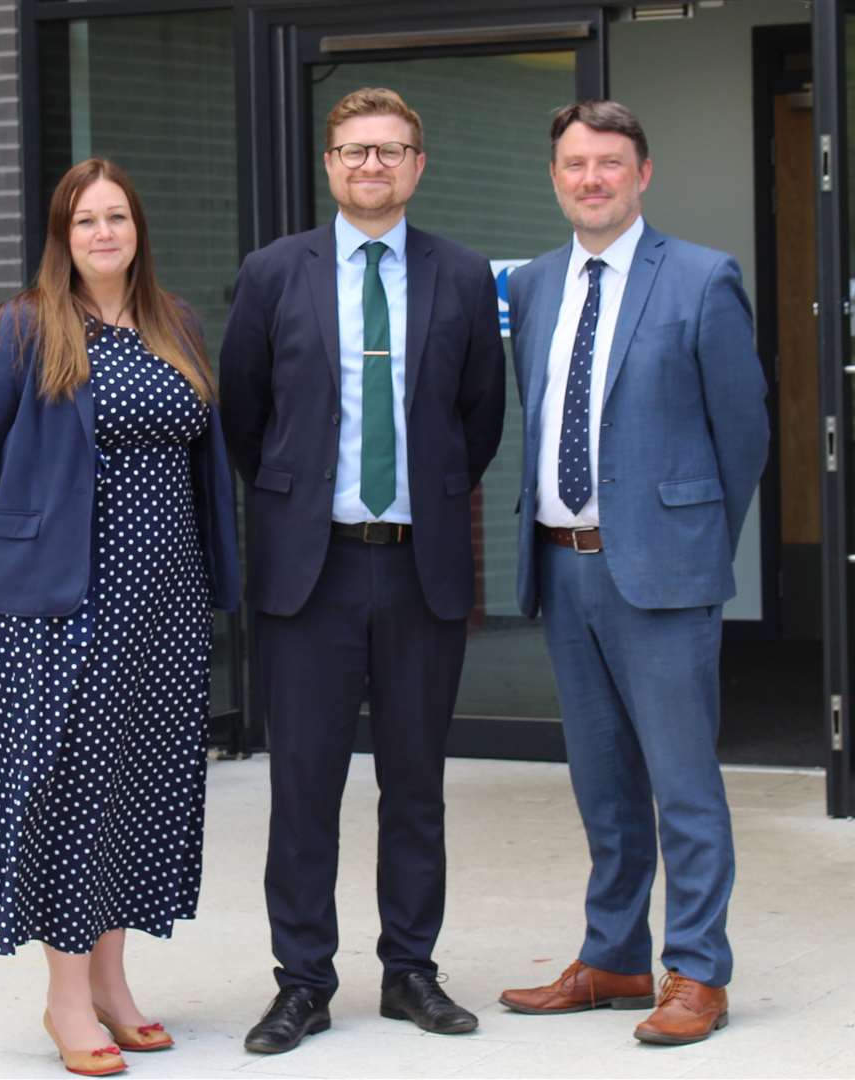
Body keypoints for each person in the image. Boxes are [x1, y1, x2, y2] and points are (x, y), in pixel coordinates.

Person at [0, 158, 239, 1077]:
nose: (103, 234)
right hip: (63, 609)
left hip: (166, 603)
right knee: (66, 792)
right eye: (83, 222)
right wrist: (18, 538)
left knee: (140, 789)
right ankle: (65, 997)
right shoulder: (24, 327)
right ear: (62, 239)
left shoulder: (171, 323)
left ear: (137, 228)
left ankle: (112, 981)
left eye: (116, 218)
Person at [219, 86, 506, 1055]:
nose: (370, 166)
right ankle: (301, 982)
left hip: (417, 567)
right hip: (311, 574)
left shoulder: (462, 276)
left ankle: (409, 973)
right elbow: (245, 418)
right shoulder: (270, 273)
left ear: (418, 164)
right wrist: (302, 502)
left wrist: (415, 493)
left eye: (389, 150)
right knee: (303, 786)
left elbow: (479, 418)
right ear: (328, 165)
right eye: (351, 151)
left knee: (415, 786)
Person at [497, 100, 769, 1046]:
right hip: (563, 568)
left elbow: (743, 436)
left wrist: (689, 546)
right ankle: (613, 957)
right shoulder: (533, 285)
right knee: (602, 784)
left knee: (682, 783)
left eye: (609, 163)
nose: (591, 180)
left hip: (660, 575)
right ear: (555, 177)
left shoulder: (700, 279)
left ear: (642, 173)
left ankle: (696, 970)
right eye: (574, 164)